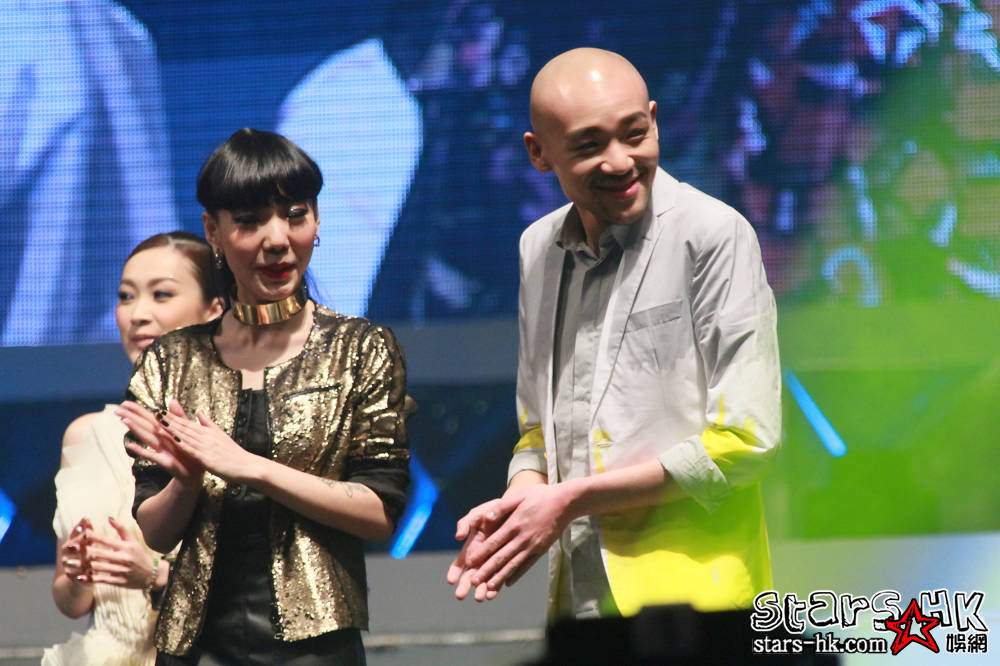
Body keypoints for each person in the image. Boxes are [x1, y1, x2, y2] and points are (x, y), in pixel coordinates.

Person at [447, 48, 781, 619]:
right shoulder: (537, 247)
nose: (621, 161)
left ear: (654, 120)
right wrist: (522, 497)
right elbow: (539, 428)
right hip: (578, 592)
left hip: (697, 600)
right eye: (589, 145)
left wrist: (568, 501)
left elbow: (746, 441)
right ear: (538, 153)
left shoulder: (713, 234)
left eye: (635, 134)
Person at [117, 129, 411, 664]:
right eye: (250, 221)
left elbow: (380, 511)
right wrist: (187, 479)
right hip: (196, 646)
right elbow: (155, 533)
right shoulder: (172, 360)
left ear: (316, 220)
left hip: (316, 646)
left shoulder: (360, 349)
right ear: (214, 231)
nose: (277, 239)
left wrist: (252, 468)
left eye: (296, 214)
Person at [45, 232, 224, 665]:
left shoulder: (232, 433)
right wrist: (79, 574)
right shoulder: (86, 435)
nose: (138, 314)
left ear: (215, 309)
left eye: (162, 295)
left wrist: (155, 575)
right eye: (126, 296)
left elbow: (270, 597)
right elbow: (71, 601)